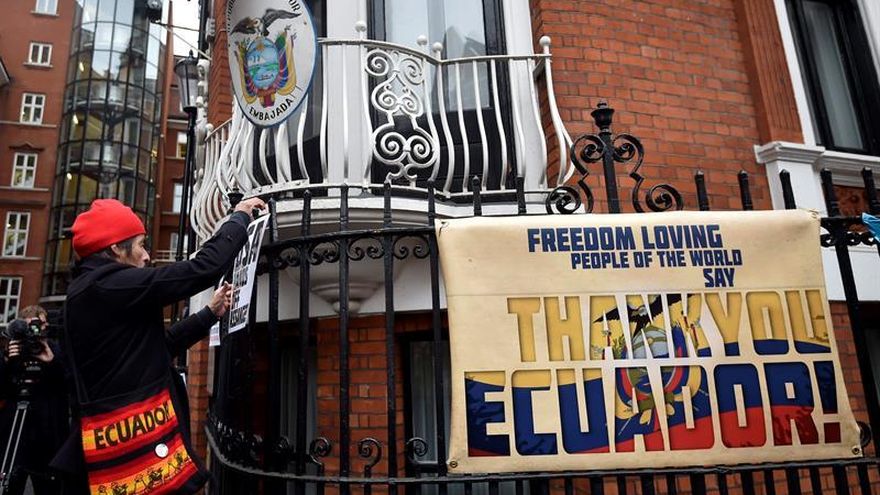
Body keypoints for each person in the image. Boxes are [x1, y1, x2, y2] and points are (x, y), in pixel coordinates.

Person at [50, 197, 265, 494]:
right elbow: (202, 269)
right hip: (133, 451)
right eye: (141, 245)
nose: (146, 256)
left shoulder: (96, 289)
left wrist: (209, 314)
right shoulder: (107, 285)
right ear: (116, 248)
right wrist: (239, 217)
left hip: (134, 445)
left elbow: (157, 347)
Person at [0, 305, 68, 494]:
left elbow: (68, 384)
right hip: (16, 433)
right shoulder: (12, 350)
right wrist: (7, 362)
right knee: (11, 485)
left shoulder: (56, 351)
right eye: (30, 327)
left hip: (47, 434)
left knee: (48, 488)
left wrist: (52, 361)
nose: (36, 331)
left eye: (40, 325)